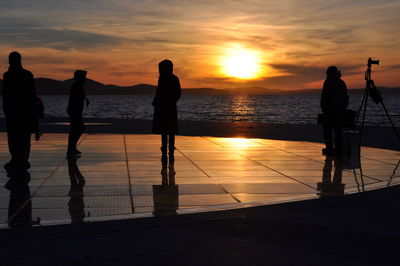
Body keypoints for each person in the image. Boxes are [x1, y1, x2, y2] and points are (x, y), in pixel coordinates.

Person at [2, 51, 38, 178]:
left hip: (15, 113)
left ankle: (18, 161)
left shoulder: (8, 75)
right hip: (22, 112)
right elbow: (32, 94)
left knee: (15, 138)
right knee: (23, 139)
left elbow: (6, 95)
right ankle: (21, 161)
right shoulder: (27, 75)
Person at [152, 59, 181, 162]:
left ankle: (169, 151)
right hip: (166, 108)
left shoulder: (171, 79)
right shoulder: (165, 79)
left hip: (168, 108)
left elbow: (177, 94)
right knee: (166, 131)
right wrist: (156, 101)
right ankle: (166, 151)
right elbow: (159, 92)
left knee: (167, 131)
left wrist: (168, 101)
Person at [320, 66, 348, 157]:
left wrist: (324, 108)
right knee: (337, 131)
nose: (327, 75)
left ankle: (330, 149)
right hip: (338, 111)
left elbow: (324, 97)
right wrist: (343, 109)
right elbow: (346, 98)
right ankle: (337, 149)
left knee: (328, 131)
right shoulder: (341, 83)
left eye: (328, 73)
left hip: (330, 111)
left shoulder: (328, 82)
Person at [67, 70, 89, 157]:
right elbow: (74, 99)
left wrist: (86, 99)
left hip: (75, 111)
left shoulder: (78, 86)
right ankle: (71, 149)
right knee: (78, 129)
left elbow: (82, 95)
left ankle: (72, 148)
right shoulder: (76, 86)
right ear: (80, 78)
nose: (85, 78)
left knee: (75, 130)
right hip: (74, 111)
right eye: (84, 77)